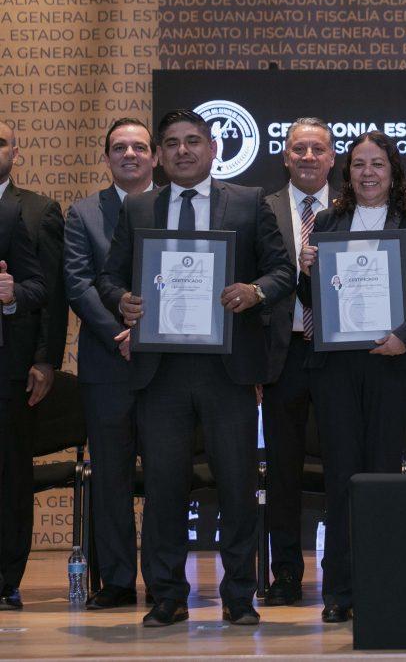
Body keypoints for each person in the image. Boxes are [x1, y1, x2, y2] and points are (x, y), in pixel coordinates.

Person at [97, 109, 295, 627]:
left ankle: (239, 595)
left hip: (228, 370)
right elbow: (109, 278)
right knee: (164, 488)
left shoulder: (248, 201)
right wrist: (122, 301)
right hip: (160, 371)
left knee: (237, 485)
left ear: (213, 148)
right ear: (160, 155)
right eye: (171, 143)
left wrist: (255, 291)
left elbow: (283, 271)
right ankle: (167, 596)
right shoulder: (140, 207)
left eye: (192, 141)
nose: (182, 151)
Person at [297, 131, 406, 623]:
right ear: (348, 172)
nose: (368, 173)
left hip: (393, 364)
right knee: (342, 476)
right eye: (359, 164)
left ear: (393, 170)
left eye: (377, 164)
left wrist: (405, 335)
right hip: (337, 367)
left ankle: (381, 586)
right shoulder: (327, 221)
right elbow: (311, 298)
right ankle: (339, 590)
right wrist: (305, 272)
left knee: (381, 473)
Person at [63, 118, 156, 608]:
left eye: (139, 147)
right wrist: (120, 334)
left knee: (165, 476)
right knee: (112, 477)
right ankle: (117, 581)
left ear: (154, 157)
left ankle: (163, 581)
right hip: (107, 365)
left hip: (166, 368)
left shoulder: (176, 206)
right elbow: (78, 284)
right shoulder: (82, 214)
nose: (130, 154)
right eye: (119, 148)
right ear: (106, 158)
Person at [259, 118, 341, 606]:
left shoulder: (353, 208)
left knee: (341, 466)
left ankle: (341, 576)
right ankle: (286, 574)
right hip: (282, 355)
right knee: (283, 471)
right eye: (299, 149)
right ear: (285, 156)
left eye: (318, 149)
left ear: (332, 158)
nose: (308, 157)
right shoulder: (262, 208)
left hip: (338, 355)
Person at [0, 121, 67, 611]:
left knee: (9, 474)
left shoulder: (34, 211)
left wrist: (45, 359)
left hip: (11, 363)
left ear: (15, 152)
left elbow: (47, 292)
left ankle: (6, 577)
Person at [0, 202, 47, 598]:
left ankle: (5, 579)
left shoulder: (8, 216)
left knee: (9, 478)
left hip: (3, 370)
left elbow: (38, 286)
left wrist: (12, 294)